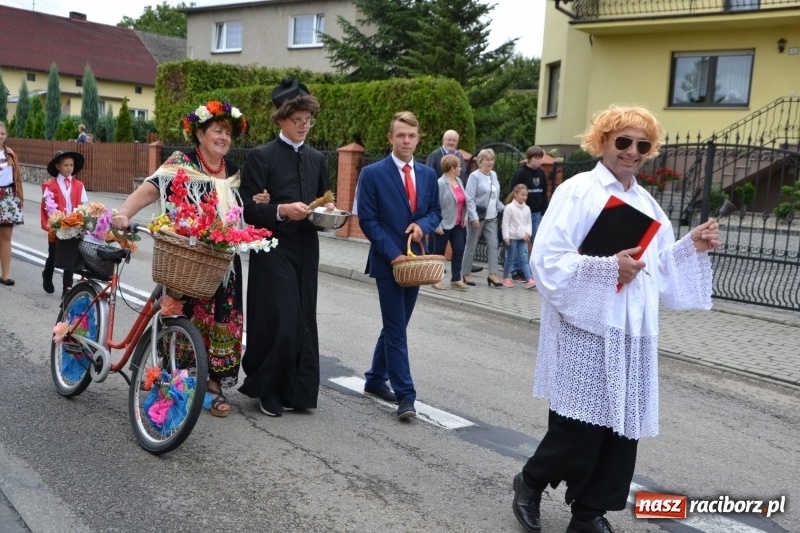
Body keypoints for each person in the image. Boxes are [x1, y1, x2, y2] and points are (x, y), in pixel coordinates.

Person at [511, 105, 720, 533]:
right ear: (602, 141)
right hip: (586, 325)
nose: (632, 151)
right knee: (579, 427)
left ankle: (589, 514)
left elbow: (659, 265)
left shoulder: (645, 201)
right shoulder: (578, 191)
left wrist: (690, 245)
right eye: (623, 141)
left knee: (622, 429)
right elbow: (547, 259)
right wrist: (607, 268)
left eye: (642, 145)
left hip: (632, 329)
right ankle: (530, 482)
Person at [112, 100, 248, 418]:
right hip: (185, 256)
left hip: (222, 263)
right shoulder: (180, 163)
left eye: (228, 132)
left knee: (222, 320)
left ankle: (212, 386)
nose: (223, 137)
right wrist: (123, 213)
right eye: (217, 130)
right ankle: (172, 377)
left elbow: (241, 211)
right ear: (200, 134)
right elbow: (150, 190)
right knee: (178, 314)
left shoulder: (234, 171)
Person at [238, 78, 334, 418]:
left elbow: (324, 201)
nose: (304, 126)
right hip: (272, 247)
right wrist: (280, 210)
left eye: (308, 120)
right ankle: (268, 389)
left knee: (304, 317)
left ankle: (298, 390)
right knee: (282, 318)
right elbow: (248, 210)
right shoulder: (261, 157)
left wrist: (327, 213)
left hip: (306, 247)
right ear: (281, 120)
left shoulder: (316, 157)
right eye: (298, 121)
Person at [356, 111, 442, 419]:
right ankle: (407, 396)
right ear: (390, 138)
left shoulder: (429, 174)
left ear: (419, 139)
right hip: (388, 262)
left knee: (397, 324)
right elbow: (368, 219)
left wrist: (422, 225)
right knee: (396, 329)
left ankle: (375, 379)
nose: (406, 140)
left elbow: (435, 212)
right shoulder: (373, 174)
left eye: (411, 136)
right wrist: (394, 254)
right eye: (400, 135)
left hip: (416, 264)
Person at [41, 150, 88, 296]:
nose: (69, 168)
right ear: (58, 166)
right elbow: (47, 206)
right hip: (57, 225)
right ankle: (47, 274)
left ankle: (67, 289)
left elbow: (83, 204)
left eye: (71, 165)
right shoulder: (50, 185)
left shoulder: (79, 185)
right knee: (53, 255)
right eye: (65, 165)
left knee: (70, 259)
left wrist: (82, 221)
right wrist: (55, 222)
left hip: (73, 226)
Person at [461, 148, 504, 287]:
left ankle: (493, 274)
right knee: (471, 244)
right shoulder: (475, 176)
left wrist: (505, 209)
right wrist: (473, 217)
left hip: (492, 216)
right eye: (487, 159)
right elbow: (470, 198)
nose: (490, 162)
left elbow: (495, 197)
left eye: (492, 159)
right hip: (478, 217)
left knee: (493, 245)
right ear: (480, 161)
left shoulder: (494, 175)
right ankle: (466, 273)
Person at [431, 154, 469, 291]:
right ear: (452, 168)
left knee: (459, 250)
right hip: (443, 224)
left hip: (459, 224)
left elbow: (464, 201)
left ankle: (456, 279)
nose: (461, 168)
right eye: (459, 166)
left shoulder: (459, 181)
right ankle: (436, 279)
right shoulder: (440, 183)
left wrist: (465, 217)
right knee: (439, 252)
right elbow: (434, 205)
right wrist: (437, 225)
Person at [512, 145, 548, 259]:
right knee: (522, 241)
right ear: (529, 158)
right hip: (523, 214)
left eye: (540, 158)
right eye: (536, 158)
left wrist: (543, 212)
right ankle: (517, 267)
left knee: (537, 241)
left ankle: (533, 264)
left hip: (536, 213)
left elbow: (544, 193)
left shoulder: (541, 173)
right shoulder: (521, 172)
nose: (539, 161)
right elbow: (514, 191)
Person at [0, 122, 24, 286]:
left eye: (2, 133)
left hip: (8, 197)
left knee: (6, 236)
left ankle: (5, 274)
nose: (0, 136)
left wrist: (20, 197)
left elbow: (17, 178)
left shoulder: (10, 154)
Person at [501, 184, 535, 289]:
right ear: (515, 194)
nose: (524, 197)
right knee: (510, 258)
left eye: (526, 195)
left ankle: (529, 279)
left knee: (524, 258)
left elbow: (529, 222)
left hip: (522, 239)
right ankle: (505, 278)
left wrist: (528, 233)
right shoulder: (509, 208)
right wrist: (506, 236)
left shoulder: (527, 209)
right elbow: (505, 223)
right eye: (522, 195)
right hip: (512, 238)